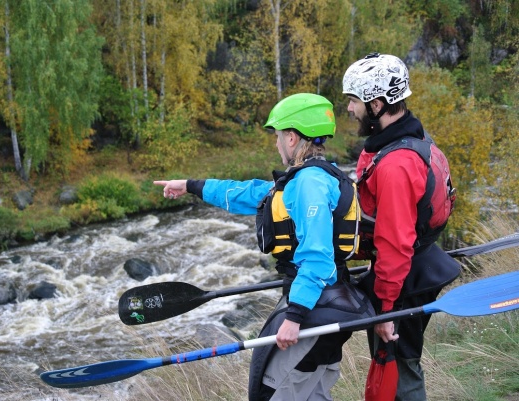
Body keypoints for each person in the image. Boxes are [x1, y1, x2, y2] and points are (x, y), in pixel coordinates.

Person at [154, 93, 374, 401]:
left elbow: (318, 256)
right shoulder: (312, 176)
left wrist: (294, 315)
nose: (276, 143)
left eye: (278, 136)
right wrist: (192, 185)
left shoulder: (309, 184)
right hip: (326, 302)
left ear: (293, 137)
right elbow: (249, 192)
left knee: (269, 394)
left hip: (315, 308)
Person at [342, 53, 461, 400]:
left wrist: (387, 310)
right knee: (403, 359)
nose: (350, 108)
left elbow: (395, 245)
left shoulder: (395, 165)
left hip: (403, 280)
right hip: (420, 264)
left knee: (402, 365)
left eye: (354, 101)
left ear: (377, 105)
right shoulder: (412, 133)